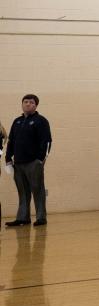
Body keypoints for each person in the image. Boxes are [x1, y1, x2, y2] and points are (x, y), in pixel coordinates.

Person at [5, 94, 53, 227]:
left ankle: (41, 217)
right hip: (18, 164)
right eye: (25, 102)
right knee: (23, 192)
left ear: (35, 105)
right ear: (22, 104)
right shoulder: (17, 121)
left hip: (34, 163)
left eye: (31, 102)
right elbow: (11, 142)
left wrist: (40, 159)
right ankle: (23, 218)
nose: (28, 104)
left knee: (38, 190)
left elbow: (47, 142)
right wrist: (8, 159)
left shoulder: (41, 121)